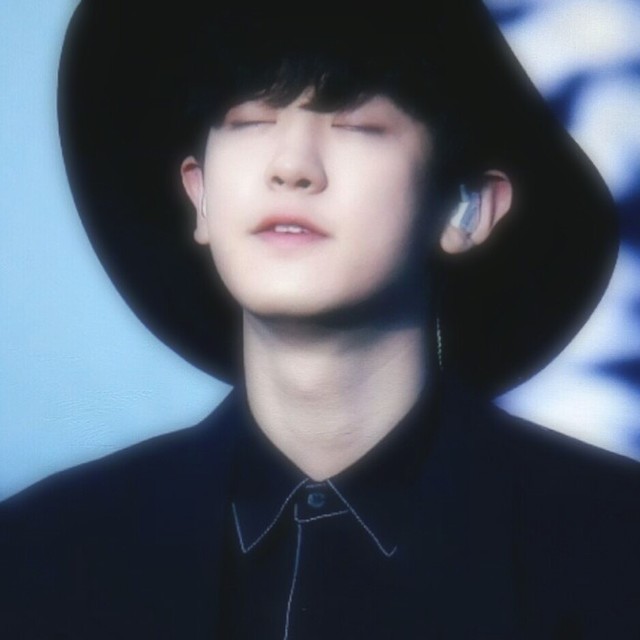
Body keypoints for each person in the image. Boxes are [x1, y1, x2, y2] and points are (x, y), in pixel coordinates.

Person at [1, 1, 638, 639]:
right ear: (200, 197)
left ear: (466, 209)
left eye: (356, 124)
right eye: (250, 120)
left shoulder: (613, 551)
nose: (292, 167)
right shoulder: (41, 558)